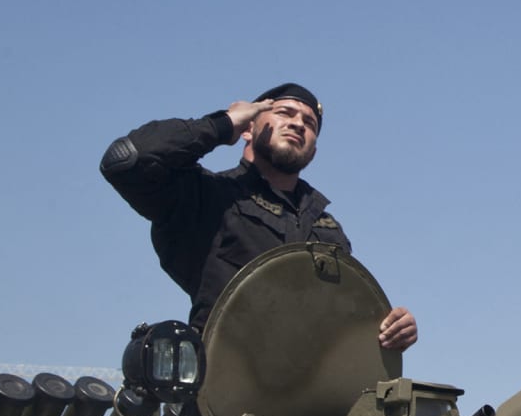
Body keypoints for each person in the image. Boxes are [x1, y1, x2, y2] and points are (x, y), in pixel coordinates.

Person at [100, 83, 418, 350]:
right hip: (225, 386)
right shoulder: (207, 197)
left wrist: (391, 329)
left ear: (314, 150)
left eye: (310, 123)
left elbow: (347, 317)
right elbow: (127, 160)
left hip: (315, 397)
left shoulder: (327, 228)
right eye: (284, 113)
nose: (298, 124)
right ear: (249, 128)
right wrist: (222, 124)